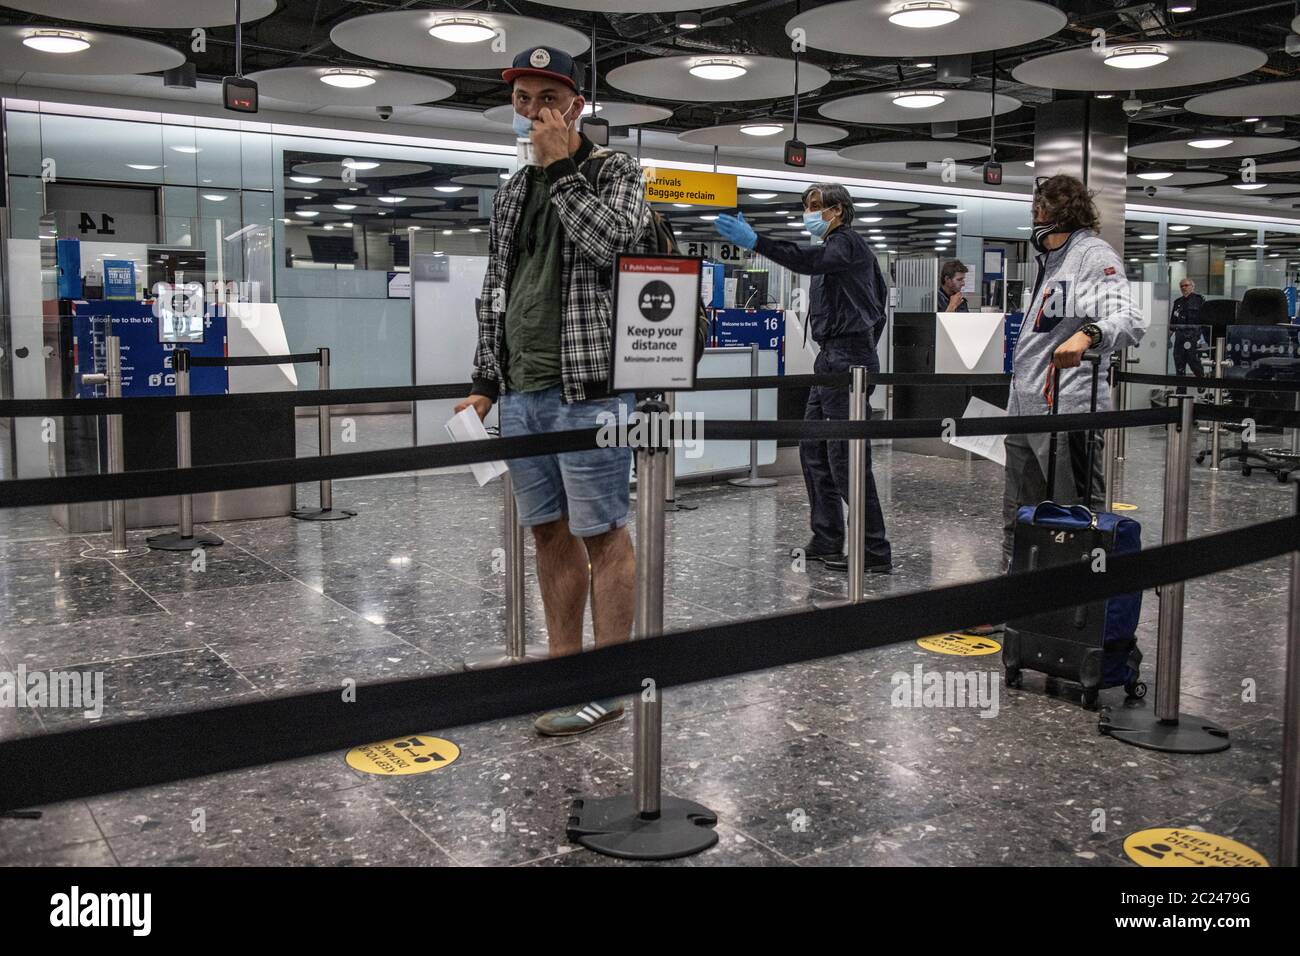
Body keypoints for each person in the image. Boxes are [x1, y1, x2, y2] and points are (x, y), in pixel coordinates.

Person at [457, 46, 649, 736]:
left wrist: (562, 169)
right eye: (521, 97)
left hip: (588, 388)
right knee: (546, 534)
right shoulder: (511, 190)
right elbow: (496, 290)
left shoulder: (615, 170)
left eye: (546, 98)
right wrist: (485, 380)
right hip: (521, 389)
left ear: (575, 106)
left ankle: (608, 681)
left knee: (603, 534)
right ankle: (562, 669)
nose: (531, 110)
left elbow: (617, 246)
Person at [714, 184, 892, 574]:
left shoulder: (845, 246)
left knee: (847, 458)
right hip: (831, 358)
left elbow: (809, 262)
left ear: (838, 211)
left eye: (815, 207)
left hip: (847, 360)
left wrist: (758, 241)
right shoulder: (841, 251)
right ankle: (827, 536)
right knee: (814, 450)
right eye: (806, 207)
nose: (808, 214)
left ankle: (874, 549)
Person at [1001, 174, 1146, 570]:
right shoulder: (1050, 262)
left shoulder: (1092, 255)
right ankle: (1020, 602)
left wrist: (1089, 335)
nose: (1034, 217)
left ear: (1049, 212)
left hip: (1069, 411)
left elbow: (1129, 319)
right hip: (1027, 409)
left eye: (1037, 209)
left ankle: (1078, 615)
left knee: (1076, 520)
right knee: (1021, 518)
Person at [1169, 277, 1207, 383]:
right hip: (1180, 337)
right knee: (1179, 362)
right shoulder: (1178, 302)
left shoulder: (1199, 300)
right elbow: (1173, 322)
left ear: (1192, 287)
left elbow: (1204, 321)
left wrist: (1204, 340)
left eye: (1186, 285)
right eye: (1182, 286)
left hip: (1193, 336)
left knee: (1193, 361)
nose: (1184, 288)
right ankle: (1181, 390)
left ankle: (1201, 381)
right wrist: (1168, 338)